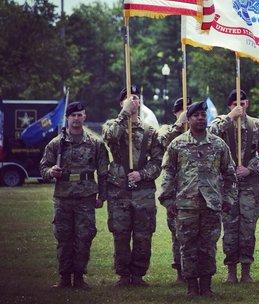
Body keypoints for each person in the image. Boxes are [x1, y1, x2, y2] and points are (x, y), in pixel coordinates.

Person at [159, 101, 237, 296]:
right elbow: (168, 173)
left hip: (211, 205)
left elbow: (230, 174)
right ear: (189, 118)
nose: (200, 118)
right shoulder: (178, 144)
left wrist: (228, 199)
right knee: (187, 245)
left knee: (208, 246)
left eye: (203, 115)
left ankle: (207, 285)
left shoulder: (218, 144)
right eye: (196, 115)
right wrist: (168, 201)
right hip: (186, 206)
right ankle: (192, 286)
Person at [40, 101, 109, 289]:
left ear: (84, 117)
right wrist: (51, 172)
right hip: (63, 197)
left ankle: (79, 277)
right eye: (73, 116)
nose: (77, 119)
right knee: (64, 237)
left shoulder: (95, 143)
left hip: (86, 198)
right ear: (67, 118)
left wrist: (101, 197)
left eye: (80, 115)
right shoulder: (57, 144)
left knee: (84, 237)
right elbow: (43, 168)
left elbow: (103, 173)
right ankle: (64, 277)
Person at [102, 86, 163, 287]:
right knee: (120, 233)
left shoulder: (149, 131)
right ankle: (122, 274)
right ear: (121, 103)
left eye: (135, 98)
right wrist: (124, 114)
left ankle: (138, 274)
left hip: (143, 191)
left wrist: (142, 174)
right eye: (128, 98)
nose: (133, 101)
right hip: (119, 190)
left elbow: (157, 161)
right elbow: (110, 137)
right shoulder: (112, 124)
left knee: (143, 234)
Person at [208, 89, 259, 283]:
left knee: (247, 229)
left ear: (248, 104)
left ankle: (246, 270)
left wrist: (250, 169)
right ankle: (231, 271)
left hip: (250, 187)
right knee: (229, 228)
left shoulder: (257, 126)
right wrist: (229, 117)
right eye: (235, 103)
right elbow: (209, 135)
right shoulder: (221, 123)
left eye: (242, 103)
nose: (239, 106)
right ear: (229, 106)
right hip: (227, 187)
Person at [157, 96, 192, 283]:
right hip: (175, 190)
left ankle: (196, 272)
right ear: (175, 113)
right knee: (177, 232)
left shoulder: (199, 131)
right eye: (182, 112)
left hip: (195, 189)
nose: (186, 116)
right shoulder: (166, 129)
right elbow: (164, 142)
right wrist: (180, 123)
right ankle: (180, 271)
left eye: (189, 112)